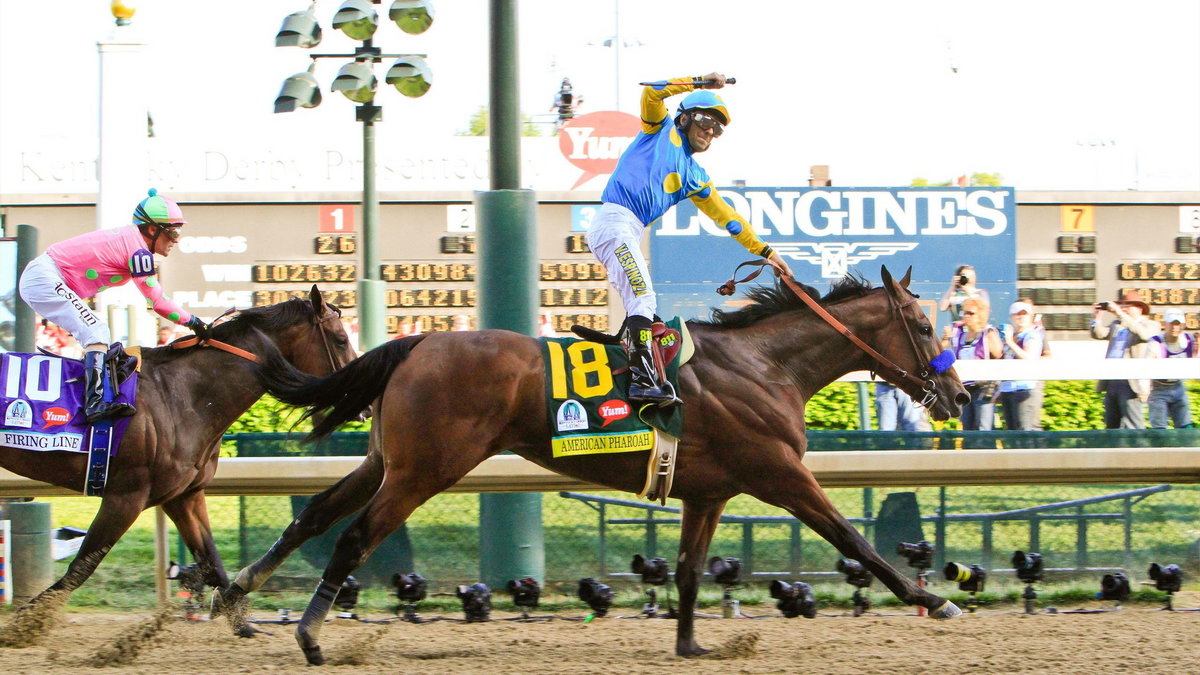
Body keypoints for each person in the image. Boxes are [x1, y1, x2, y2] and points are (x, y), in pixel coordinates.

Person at [588, 72, 792, 405]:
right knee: (643, 296)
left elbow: (729, 217)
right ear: (684, 118)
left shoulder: (695, 177)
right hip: (614, 222)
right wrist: (699, 83)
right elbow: (653, 93)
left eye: (717, 127)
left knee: (652, 321)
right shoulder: (659, 130)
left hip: (629, 230)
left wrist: (767, 252)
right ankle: (641, 382)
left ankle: (640, 370)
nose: (710, 130)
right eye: (703, 120)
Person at [18, 189, 206, 423]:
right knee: (96, 331)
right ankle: (95, 403)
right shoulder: (138, 252)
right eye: (173, 232)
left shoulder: (134, 242)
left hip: (45, 277)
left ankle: (91, 394)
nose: (176, 240)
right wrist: (196, 323)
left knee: (97, 335)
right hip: (44, 278)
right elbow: (158, 302)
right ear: (151, 229)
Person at [1090, 291, 1161, 429]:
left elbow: (1144, 335)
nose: (1124, 308)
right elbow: (1098, 334)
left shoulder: (1151, 324)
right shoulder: (1117, 324)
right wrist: (1097, 319)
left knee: (1133, 424)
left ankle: (1138, 450)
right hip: (1111, 379)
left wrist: (1121, 315)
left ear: (1139, 308)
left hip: (1130, 381)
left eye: (1128, 305)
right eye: (1122, 305)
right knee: (1111, 425)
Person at [942, 297, 1003, 430]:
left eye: (971, 313)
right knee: (967, 427)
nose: (967, 316)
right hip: (965, 389)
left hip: (984, 388)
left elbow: (998, 354)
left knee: (983, 426)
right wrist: (946, 337)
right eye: (965, 312)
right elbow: (943, 352)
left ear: (980, 314)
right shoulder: (959, 336)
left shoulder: (987, 333)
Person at [997, 300, 1044, 431]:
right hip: (1007, 389)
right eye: (1017, 314)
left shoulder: (1033, 335)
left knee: (1026, 430)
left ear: (1031, 316)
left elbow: (1029, 357)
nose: (1021, 317)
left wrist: (1010, 342)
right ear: (1011, 317)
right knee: (1012, 432)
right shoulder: (1010, 336)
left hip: (1026, 388)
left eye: (1024, 314)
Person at [1148, 309, 1194, 428]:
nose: (1175, 327)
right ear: (1165, 324)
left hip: (1178, 386)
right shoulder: (1156, 342)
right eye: (1171, 324)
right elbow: (1145, 365)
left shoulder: (1188, 340)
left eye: (1178, 324)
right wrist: (1143, 389)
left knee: (1185, 426)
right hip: (1159, 388)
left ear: (1183, 325)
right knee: (1159, 428)